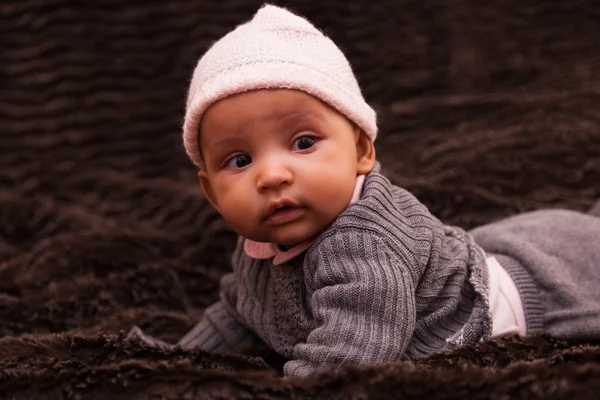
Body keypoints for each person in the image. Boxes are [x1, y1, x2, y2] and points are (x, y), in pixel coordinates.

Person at [128, 4, 600, 378]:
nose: (271, 175)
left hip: (534, 293)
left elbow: (352, 357)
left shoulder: (363, 242)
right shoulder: (260, 246)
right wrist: (176, 362)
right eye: (240, 160)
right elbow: (239, 314)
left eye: (304, 143)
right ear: (212, 194)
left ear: (361, 151)